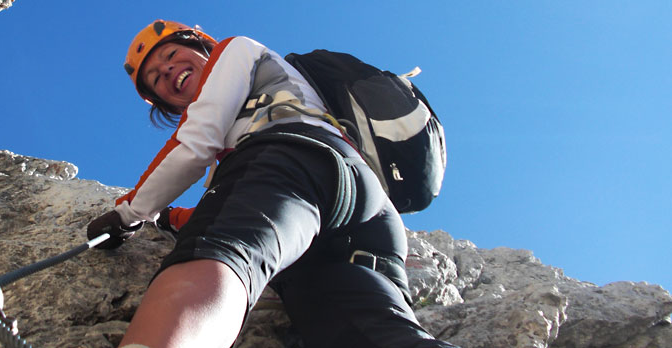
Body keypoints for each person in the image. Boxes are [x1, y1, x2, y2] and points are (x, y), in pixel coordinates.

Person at [86, 19, 458, 348]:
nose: (167, 71)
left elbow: (195, 146)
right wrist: (169, 219)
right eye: (156, 78)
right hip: (366, 210)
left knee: (215, 258)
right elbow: (250, 209)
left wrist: (128, 214)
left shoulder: (236, 50)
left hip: (294, 161)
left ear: (202, 45)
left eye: (170, 54)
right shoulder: (267, 113)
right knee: (371, 331)